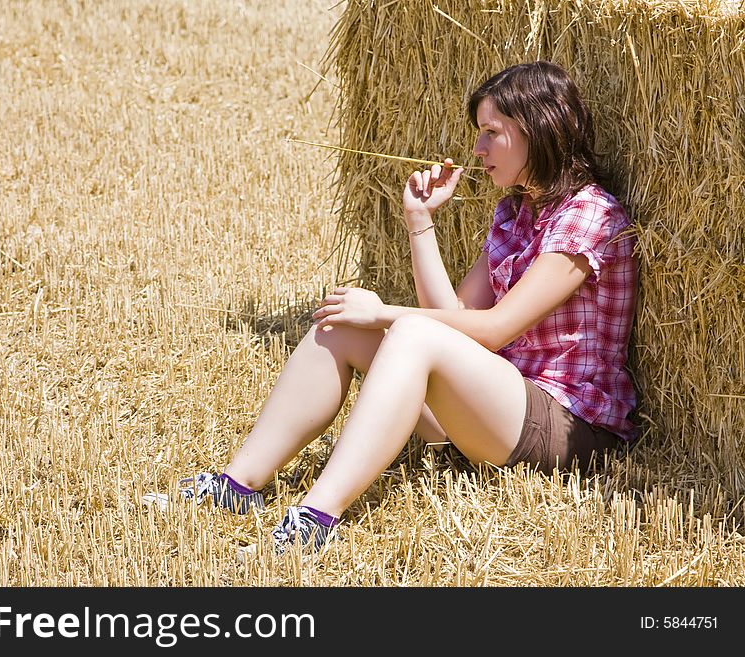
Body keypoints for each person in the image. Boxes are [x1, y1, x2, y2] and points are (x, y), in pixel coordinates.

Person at [143, 61, 638, 555]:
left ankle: (317, 515)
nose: (477, 149)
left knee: (408, 332)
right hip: (495, 414)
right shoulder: (516, 213)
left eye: (492, 132)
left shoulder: (589, 215)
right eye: (478, 133)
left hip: (567, 428)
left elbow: (494, 328)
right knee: (338, 327)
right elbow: (454, 316)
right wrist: (419, 221)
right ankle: (238, 485)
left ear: (540, 128)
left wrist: (383, 313)